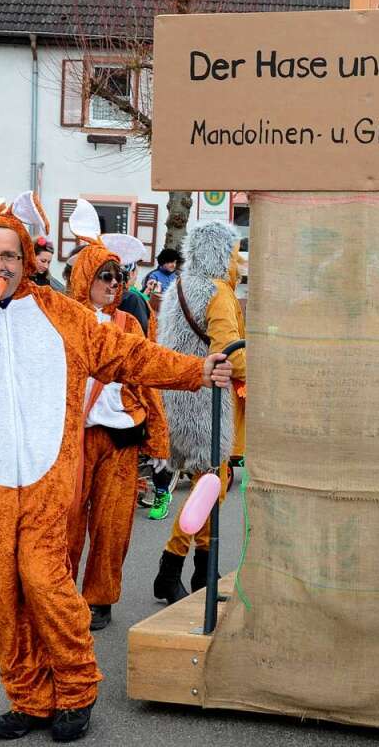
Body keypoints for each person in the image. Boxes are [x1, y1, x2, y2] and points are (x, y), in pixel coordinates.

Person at [0, 193, 232, 742]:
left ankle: (76, 689)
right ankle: (29, 696)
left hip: (45, 481)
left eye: (10, 255)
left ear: (28, 259)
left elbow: (130, 356)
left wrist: (197, 370)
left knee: (44, 581)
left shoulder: (62, 315)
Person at [65, 235, 171, 631]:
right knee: (67, 522)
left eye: (119, 276)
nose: (114, 284)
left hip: (121, 439)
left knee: (113, 525)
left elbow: (147, 378)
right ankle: (62, 594)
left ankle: (99, 598)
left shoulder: (128, 322)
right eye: (105, 276)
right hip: (74, 438)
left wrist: (159, 439)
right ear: (84, 278)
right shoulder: (63, 319)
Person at [152, 221, 247, 603]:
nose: (238, 262)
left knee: (212, 482)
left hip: (180, 395)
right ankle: (171, 565)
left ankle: (204, 573)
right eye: (235, 254)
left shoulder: (177, 286)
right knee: (212, 484)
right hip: (208, 401)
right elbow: (230, 353)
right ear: (222, 255)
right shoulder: (219, 292)